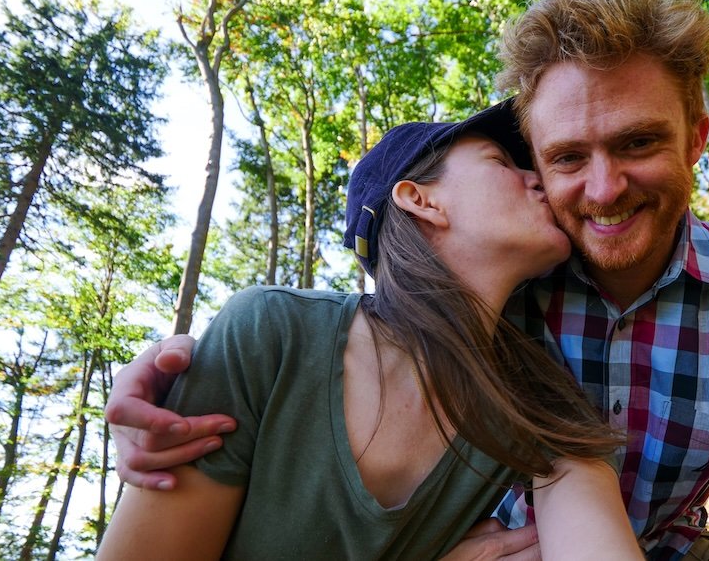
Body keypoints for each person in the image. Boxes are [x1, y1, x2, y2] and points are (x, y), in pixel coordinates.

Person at [106, 0, 709, 559]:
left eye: (636, 143)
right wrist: (182, 375)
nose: (598, 191)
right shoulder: (487, 314)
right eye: (553, 159)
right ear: (421, 202)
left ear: (697, 135)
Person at [97, 103, 644, 560]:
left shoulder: (533, 398)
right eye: (502, 161)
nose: (539, 179)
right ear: (419, 199)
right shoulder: (273, 334)